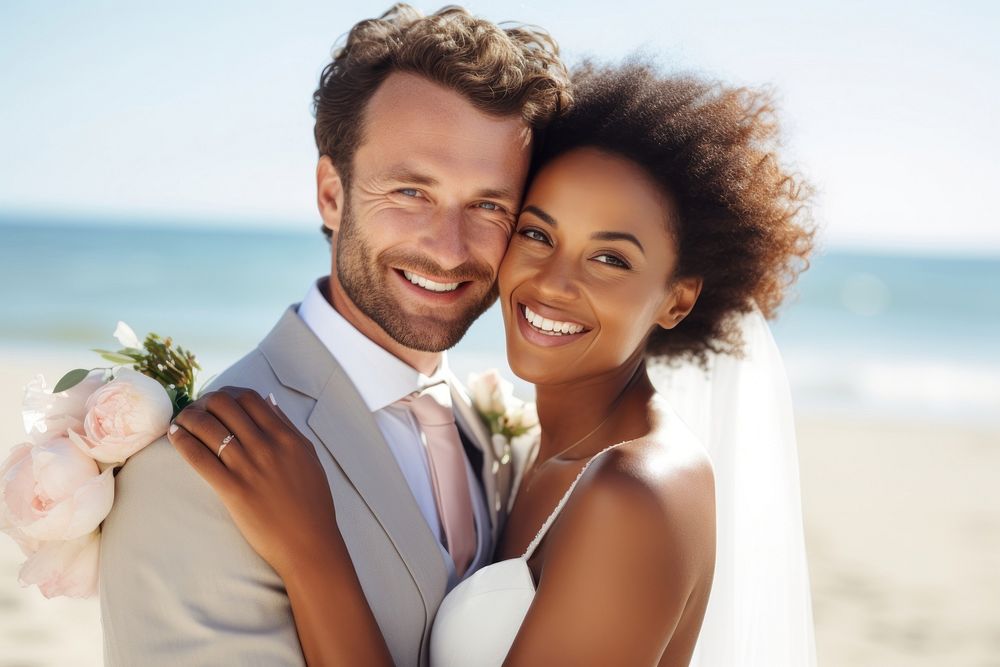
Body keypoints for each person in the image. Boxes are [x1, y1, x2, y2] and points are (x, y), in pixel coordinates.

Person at [169, 59, 816, 665]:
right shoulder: (526, 450)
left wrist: (311, 550)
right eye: (536, 233)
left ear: (677, 298)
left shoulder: (636, 490)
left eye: (610, 257)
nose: (553, 283)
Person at [97, 6, 571, 666]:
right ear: (331, 193)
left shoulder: (482, 430)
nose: (448, 247)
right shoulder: (196, 470)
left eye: (490, 205)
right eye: (411, 191)